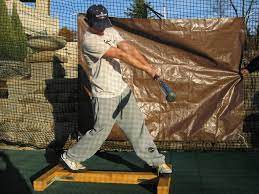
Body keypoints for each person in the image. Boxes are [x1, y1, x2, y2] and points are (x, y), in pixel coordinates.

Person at [60, 4, 172, 176]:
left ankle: (157, 161)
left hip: (121, 90)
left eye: (104, 22)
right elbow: (120, 54)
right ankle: (70, 156)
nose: (102, 28)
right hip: (104, 95)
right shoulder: (89, 41)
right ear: (89, 22)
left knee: (137, 127)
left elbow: (128, 48)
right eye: (98, 24)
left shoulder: (109, 29)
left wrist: (148, 64)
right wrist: (148, 70)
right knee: (100, 131)